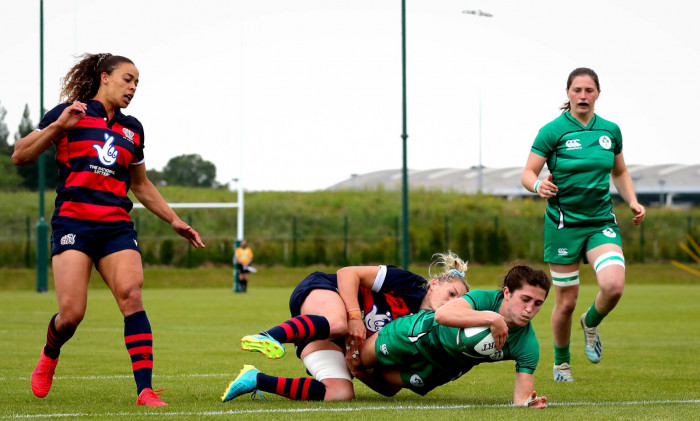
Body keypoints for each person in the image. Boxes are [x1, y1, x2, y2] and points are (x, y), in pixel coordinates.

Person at [12, 53, 205, 406]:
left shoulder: (133, 128)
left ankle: (145, 390)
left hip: (115, 225)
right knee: (71, 315)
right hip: (74, 223)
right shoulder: (70, 112)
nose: (132, 87)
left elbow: (141, 184)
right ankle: (50, 352)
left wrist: (175, 219)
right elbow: (20, 155)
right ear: (104, 77)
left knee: (132, 294)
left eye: (137, 83)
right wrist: (58, 127)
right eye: (127, 79)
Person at [520, 67, 645, 382]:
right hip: (563, 226)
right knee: (566, 302)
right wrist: (538, 187)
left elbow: (620, 172)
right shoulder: (553, 131)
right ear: (568, 93)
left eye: (589, 90)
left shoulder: (610, 130)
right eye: (577, 90)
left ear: (598, 93)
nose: (583, 96)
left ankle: (590, 323)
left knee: (613, 286)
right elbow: (528, 173)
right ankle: (561, 363)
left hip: (600, 222)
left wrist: (632, 200)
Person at [220, 251, 469, 402]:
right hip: (326, 292)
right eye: (451, 293)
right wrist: (354, 317)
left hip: (324, 335)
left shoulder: (421, 331)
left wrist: (357, 368)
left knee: (340, 394)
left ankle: (256, 379)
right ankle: (268, 336)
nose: (451, 302)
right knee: (339, 324)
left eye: (458, 301)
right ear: (435, 283)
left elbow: (390, 388)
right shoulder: (410, 284)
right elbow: (347, 273)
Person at [348, 265, 551, 408]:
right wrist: (491, 318)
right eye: (525, 299)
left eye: (537, 303)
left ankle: (352, 371)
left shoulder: (527, 344)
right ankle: (330, 352)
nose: (530, 309)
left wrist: (528, 402)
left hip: (442, 369)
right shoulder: (483, 298)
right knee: (359, 359)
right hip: (418, 334)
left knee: (384, 385)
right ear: (507, 292)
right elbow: (442, 315)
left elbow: (522, 397)